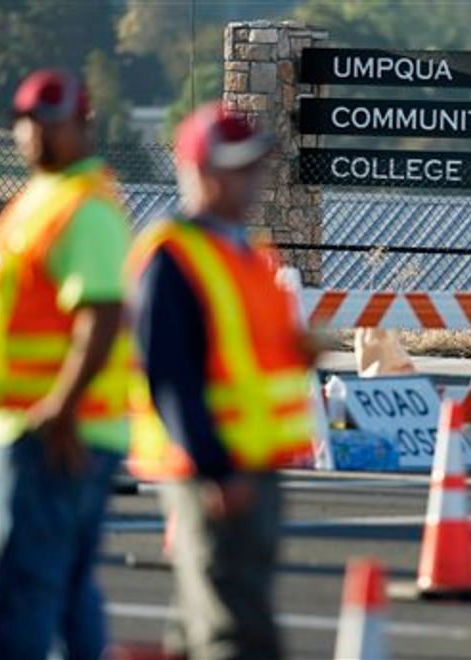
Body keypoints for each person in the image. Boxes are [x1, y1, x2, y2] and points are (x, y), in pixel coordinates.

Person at [127, 103, 320, 660]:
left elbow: (245, 356)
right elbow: (169, 373)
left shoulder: (248, 255)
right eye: (237, 166)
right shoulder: (173, 257)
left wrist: (297, 353)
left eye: (255, 165)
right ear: (199, 170)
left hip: (257, 464)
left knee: (201, 624)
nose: (251, 179)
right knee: (234, 631)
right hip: (218, 473)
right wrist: (214, 468)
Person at [0, 69, 132, 659]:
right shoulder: (43, 200)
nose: (38, 134)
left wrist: (61, 407)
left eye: (53, 121)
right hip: (46, 423)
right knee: (63, 588)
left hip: (54, 430)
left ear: (83, 126)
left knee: (25, 591)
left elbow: (102, 314)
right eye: (29, 121)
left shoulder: (81, 209)